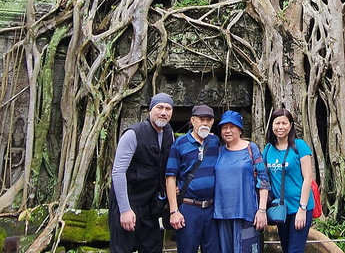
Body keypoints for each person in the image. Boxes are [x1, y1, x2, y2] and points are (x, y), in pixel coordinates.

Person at [108, 93, 175, 253]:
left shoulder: (169, 134)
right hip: (128, 202)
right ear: (150, 109)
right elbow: (118, 172)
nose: (163, 112)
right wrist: (125, 209)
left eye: (168, 108)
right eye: (159, 107)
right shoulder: (133, 134)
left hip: (151, 207)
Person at [166, 104, 221, 253]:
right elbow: (170, 177)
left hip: (211, 209)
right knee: (187, 249)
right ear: (192, 120)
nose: (205, 123)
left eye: (208, 120)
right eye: (201, 119)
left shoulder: (215, 142)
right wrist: (174, 211)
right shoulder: (180, 143)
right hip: (189, 208)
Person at [213, 110, 269, 253]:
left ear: (240, 129)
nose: (228, 130)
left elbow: (263, 179)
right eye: (224, 127)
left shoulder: (251, 148)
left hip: (247, 212)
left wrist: (262, 210)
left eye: (232, 126)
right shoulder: (219, 151)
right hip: (222, 213)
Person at [262, 108, 315, 253]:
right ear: (272, 125)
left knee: (295, 250)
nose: (280, 127)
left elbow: (308, 178)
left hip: (299, 206)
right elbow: (262, 176)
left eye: (284, 123)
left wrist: (302, 209)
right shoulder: (268, 149)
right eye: (277, 123)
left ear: (290, 125)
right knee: (286, 249)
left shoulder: (299, 146)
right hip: (280, 209)